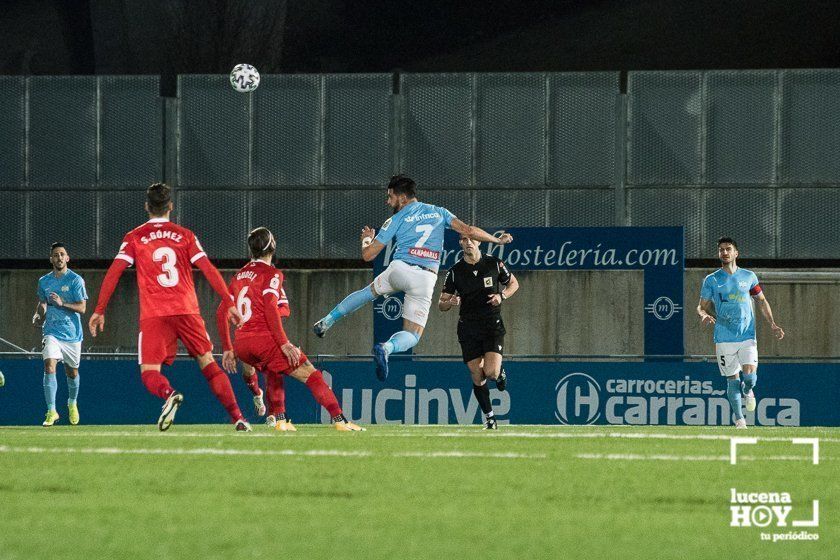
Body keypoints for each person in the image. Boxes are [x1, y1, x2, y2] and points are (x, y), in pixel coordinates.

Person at [313, 175, 513, 380]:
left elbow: (368, 255)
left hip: (399, 268)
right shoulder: (439, 212)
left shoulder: (395, 219)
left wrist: (366, 240)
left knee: (368, 293)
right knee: (413, 335)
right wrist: (497, 240)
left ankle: (326, 322)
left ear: (402, 197)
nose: (388, 201)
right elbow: (469, 231)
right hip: (424, 278)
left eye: (390, 196)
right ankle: (387, 348)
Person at [88, 183, 250, 431]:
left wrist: (100, 309)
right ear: (170, 207)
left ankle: (169, 393)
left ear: (146, 207)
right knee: (208, 362)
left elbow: (114, 272)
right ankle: (239, 418)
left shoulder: (135, 237)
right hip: (187, 310)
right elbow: (208, 269)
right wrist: (229, 302)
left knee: (149, 372)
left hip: (155, 314)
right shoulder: (185, 235)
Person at [217, 227, 364, 432]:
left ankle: (281, 420)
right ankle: (341, 421)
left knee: (273, 372)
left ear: (251, 251)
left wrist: (227, 347)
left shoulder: (239, 275)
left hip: (241, 343)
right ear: (273, 247)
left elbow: (220, 312)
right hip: (263, 339)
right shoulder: (272, 274)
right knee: (311, 374)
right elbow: (270, 306)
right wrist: (284, 343)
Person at [697, 237, 785, 429]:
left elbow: (761, 300)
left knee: (749, 377)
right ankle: (739, 420)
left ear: (736, 253)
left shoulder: (749, 276)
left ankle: (749, 390)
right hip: (723, 337)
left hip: (747, 336)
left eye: (728, 249)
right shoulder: (711, 280)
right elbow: (701, 306)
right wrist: (703, 314)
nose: (724, 253)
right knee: (732, 378)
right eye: (721, 250)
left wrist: (772, 323)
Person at [439, 235, 519, 429]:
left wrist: (502, 296)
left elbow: (513, 284)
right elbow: (441, 304)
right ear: (460, 243)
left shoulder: (494, 263)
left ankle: (499, 374)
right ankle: (490, 418)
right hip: (468, 327)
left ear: (479, 242)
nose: (468, 242)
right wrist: (450, 302)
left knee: (490, 373)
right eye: (464, 239)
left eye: (472, 239)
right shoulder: (455, 271)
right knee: (477, 374)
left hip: (491, 324)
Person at [32, 243, 87, 426]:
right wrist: (39, 314)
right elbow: (43, 302)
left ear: (67, 258)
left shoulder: (75, 280)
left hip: (72, 334)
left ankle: (72, 403)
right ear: (51, 259)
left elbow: (82, 307)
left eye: (62, 254)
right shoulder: (44, 281)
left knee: (72, 373)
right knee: (49, 366)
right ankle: (51, 410)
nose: (59, 258)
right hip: (51, 331)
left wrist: (63, 304)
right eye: (56, 255)